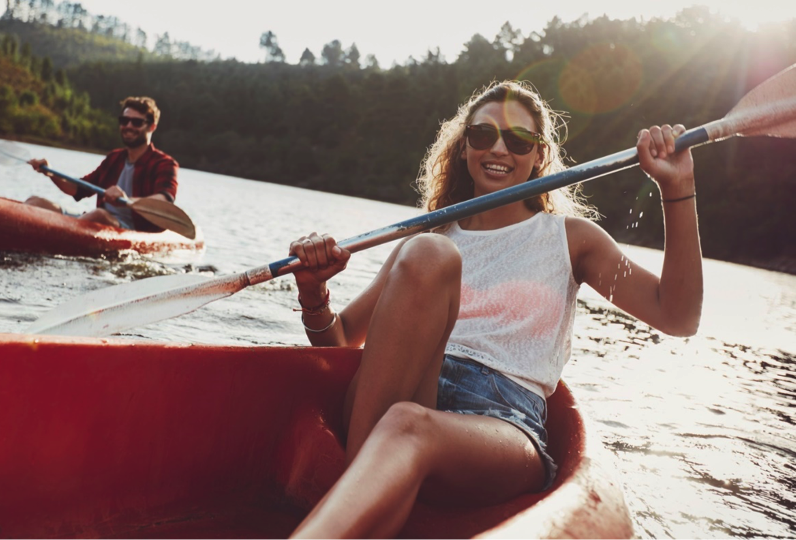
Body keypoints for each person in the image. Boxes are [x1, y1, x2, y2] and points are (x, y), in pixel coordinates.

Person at [286, 81, 702, 540]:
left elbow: (677, 316)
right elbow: (341, 341)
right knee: (429, 256)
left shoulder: (571, 240)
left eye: (517, 140)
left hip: (502, 426)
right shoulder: (431, 236)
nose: (498, 148)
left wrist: (676, 187)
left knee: (407, 424)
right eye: (483, 135)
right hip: (397, 402)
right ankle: (365, 495)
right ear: (465, 148)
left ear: (539, 155)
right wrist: (313, 294)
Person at [26, 96, 178, 232]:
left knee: (99, 215)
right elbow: (78, 189)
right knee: (35, 201)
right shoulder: (115, 158)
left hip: (131, 229)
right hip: (95, 220)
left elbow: (164, 200)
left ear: (152, 126)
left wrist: (126, 201)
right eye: (124, 121)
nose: (129, 126)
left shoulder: (164, 164)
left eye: (137, 122)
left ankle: (54, 237)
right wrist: (50, 172)